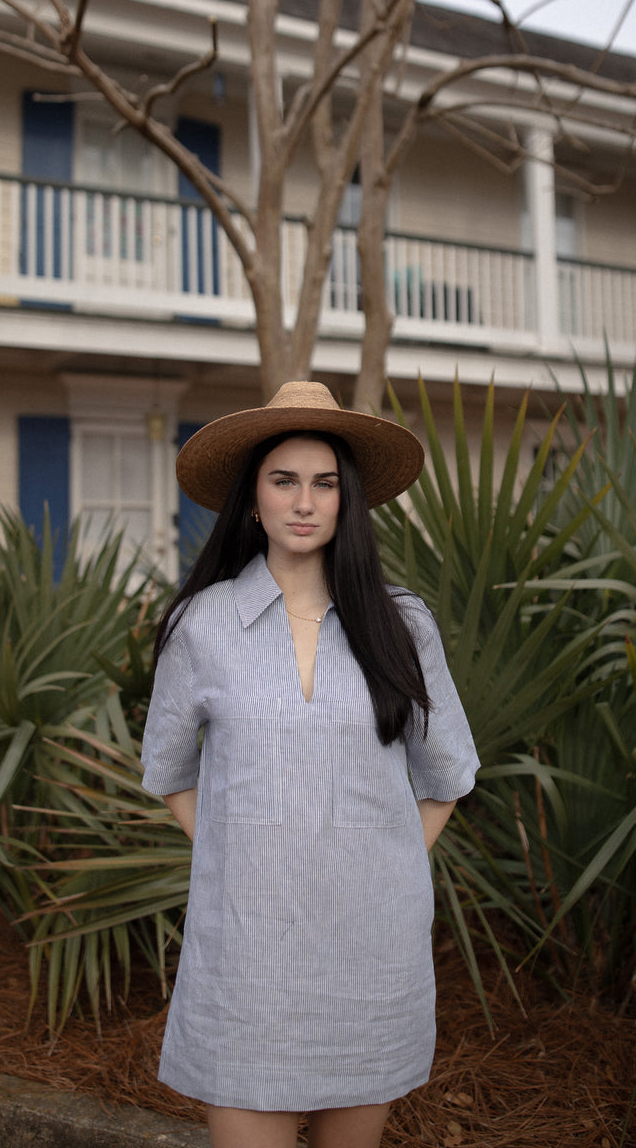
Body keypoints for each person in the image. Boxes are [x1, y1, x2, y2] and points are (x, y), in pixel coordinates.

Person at [141, 381, 479, 1148]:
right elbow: (168, 769)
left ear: (347, 501)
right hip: (248, 954)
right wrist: (244, 853)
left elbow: (447, 772)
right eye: (283, 480)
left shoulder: (403, 624)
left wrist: (381, 861)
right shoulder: (202, 626)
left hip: (370, 954)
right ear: (252, 501)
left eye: (325, 483)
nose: (305, 501)